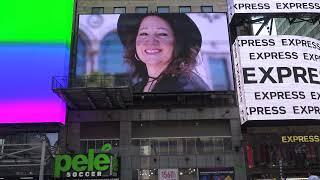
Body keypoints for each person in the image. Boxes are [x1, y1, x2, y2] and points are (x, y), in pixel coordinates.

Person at [117, 13, 210, 93]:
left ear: (178, 43)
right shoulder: (137, 89)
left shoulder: (189, 88)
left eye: (162, 34)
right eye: (144, 34)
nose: (151, 41)